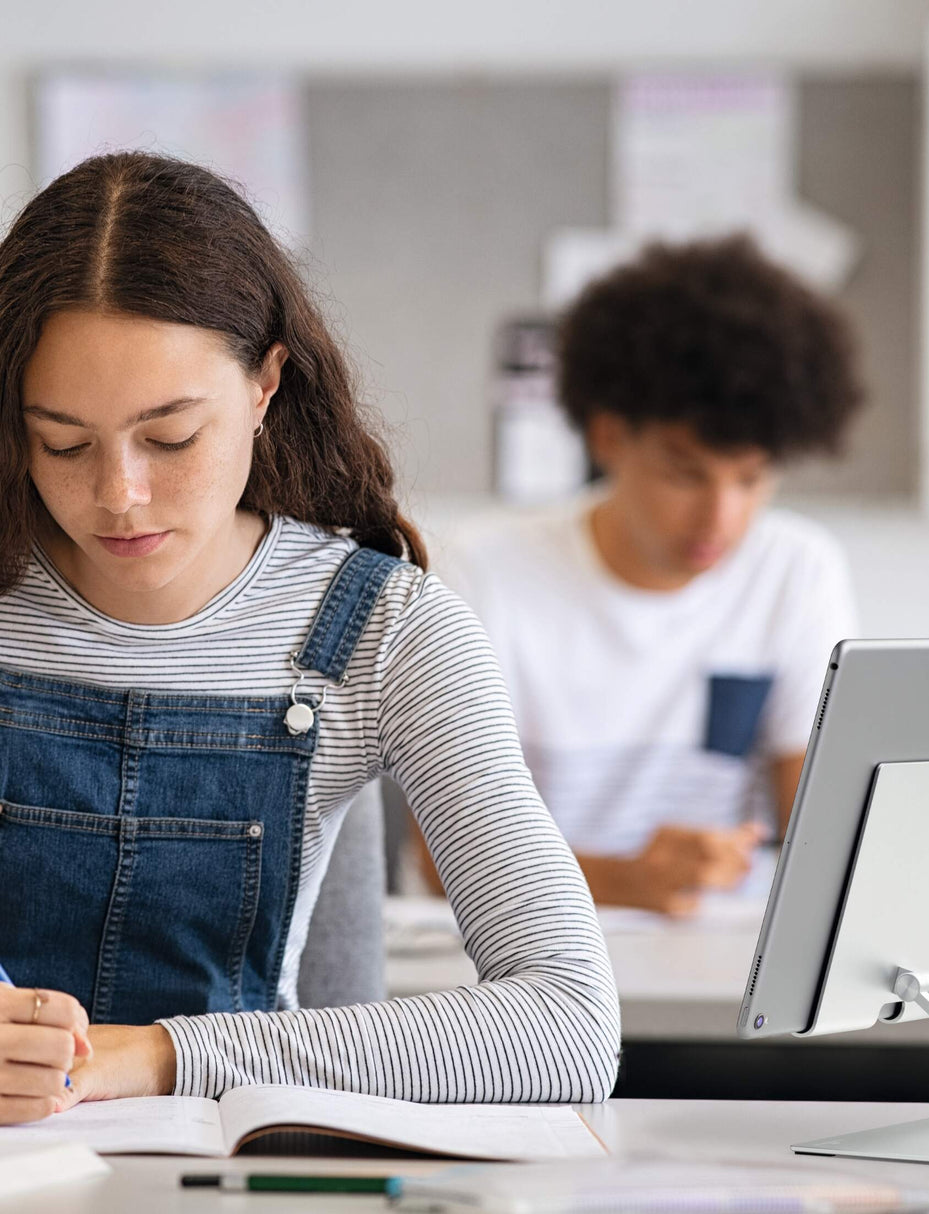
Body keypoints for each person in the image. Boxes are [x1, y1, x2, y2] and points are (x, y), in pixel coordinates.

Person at [0, 152, 619, 1126]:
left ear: (264, 384)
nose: (118, 493)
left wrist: (161, 1055)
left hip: (227, 1169)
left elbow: (566, 1023)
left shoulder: (390, 632)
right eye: (63, 442)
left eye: (169, 437)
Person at [440, 236, 863, 917]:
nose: (721, 517)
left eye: (752, 479)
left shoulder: (797, 571)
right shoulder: (482, 573)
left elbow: (826, 840)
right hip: (534, 965)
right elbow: (445, 861)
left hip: (728, 970)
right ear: (609, 438)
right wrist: (625, 881)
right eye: (684, 473)